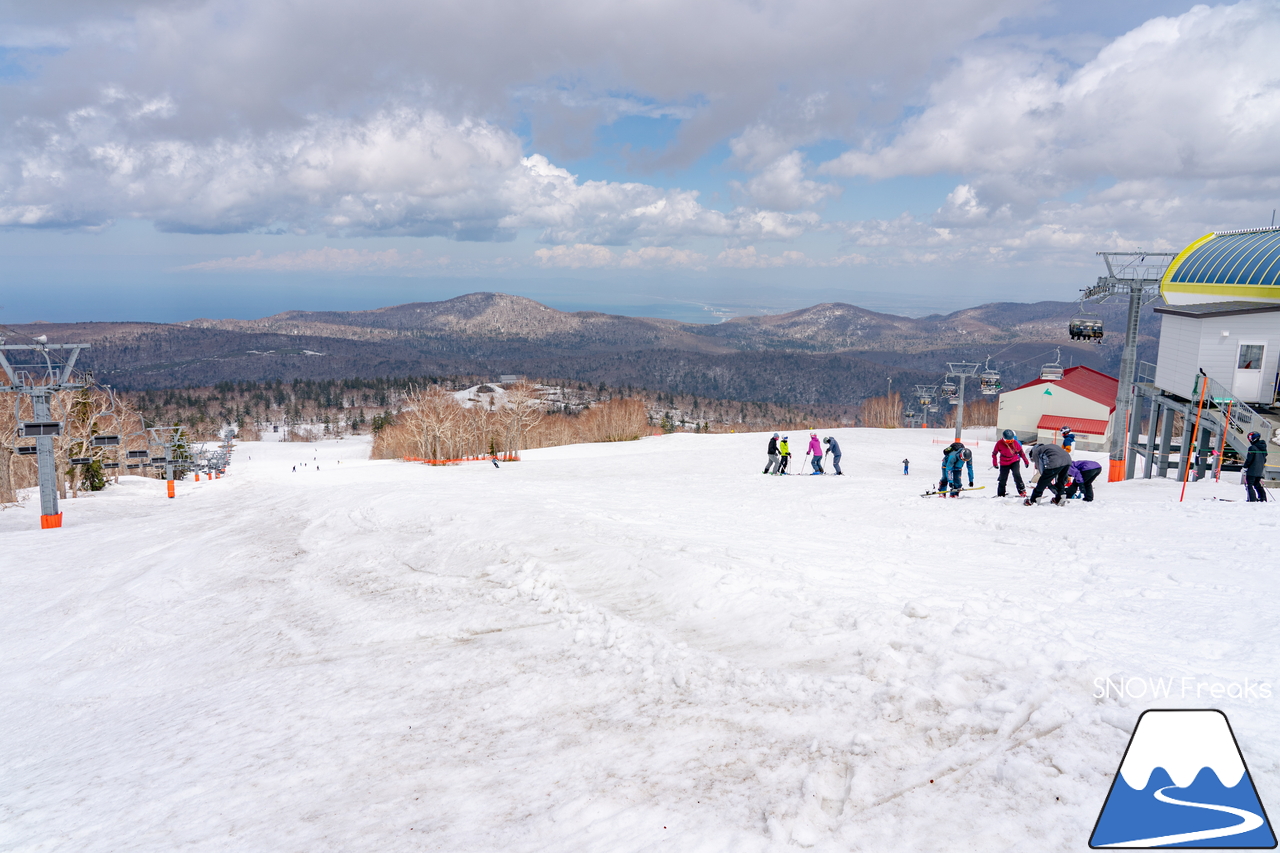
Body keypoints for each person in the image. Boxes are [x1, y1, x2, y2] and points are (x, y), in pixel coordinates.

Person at [991, 429, 1029, 498]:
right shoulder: (999, 443)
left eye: (1011, 440)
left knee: (1016, 474)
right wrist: (995, 463)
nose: (1010, 442)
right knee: (1003, 479)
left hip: (1014, 460)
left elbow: (1021, 453)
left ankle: (1022, 491)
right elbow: (994, 454)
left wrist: (1026, 461)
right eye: (1008, 441)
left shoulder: (1015, 443)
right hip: (1004, 462)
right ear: (1004, 439)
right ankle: (1001, 494)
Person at [1244, 430, 1269, 502]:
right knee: (1257, 484)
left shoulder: (1252, 448)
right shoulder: (1263, 448)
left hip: (1252, 470)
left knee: (1249, 485)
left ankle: (1252, 499)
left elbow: (1249, 459)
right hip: (1259, 470)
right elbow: (1264, 460)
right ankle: (1263, 498)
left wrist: (1245, 467)